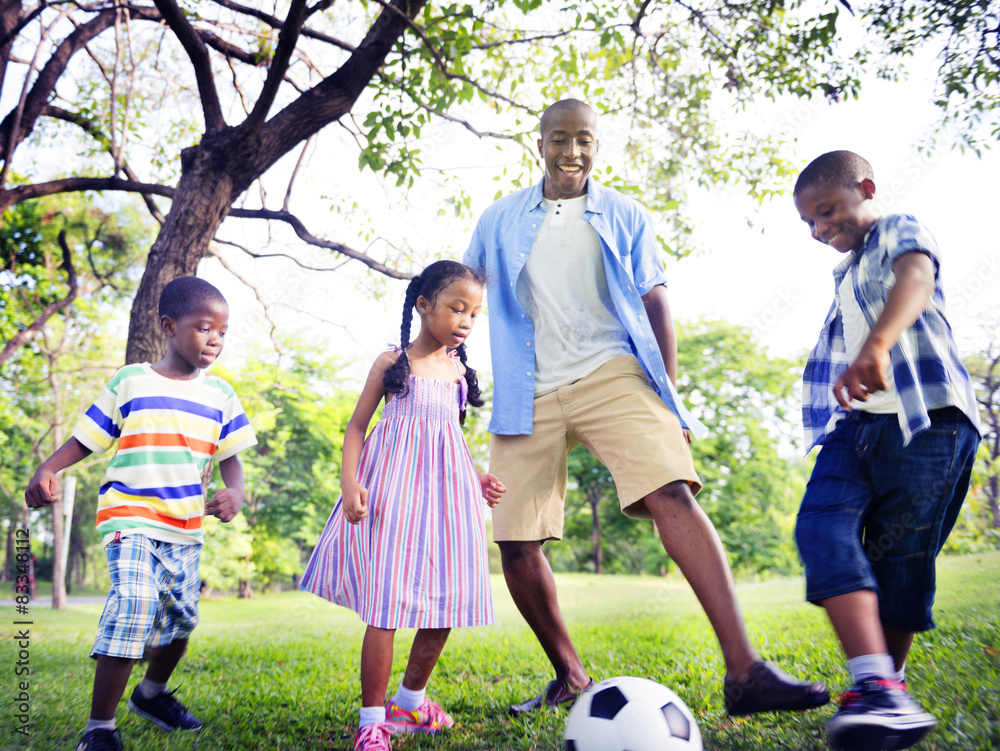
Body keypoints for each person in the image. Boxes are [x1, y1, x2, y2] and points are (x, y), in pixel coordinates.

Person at [463, 98, 829, 717]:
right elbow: (466, 298)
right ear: (540, 141)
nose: (571, 151)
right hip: (528, 387)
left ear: (597, 144)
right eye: (559, 139)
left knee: (672, 493)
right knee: (517, 542)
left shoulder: (625, 213)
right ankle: (570, 675)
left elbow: (656, 303)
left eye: (584, 139)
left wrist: (671, 403)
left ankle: (744, 672)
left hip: (613, 370)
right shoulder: (497, 220)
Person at [793, 150, 981, 751]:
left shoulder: (899, 227)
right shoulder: (844, 273)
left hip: (929, 419)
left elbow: (917, 279)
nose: (822, 230)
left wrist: (877, 345)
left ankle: (885, 691)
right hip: (857, 427)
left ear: (866, 189)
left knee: (899, 558)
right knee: (820, 527)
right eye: (811, 224)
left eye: (827, 211)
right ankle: (878, 686)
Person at [24, 276, 257, 751]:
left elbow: (233, 462)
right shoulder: (130, 380)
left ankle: (151, 694)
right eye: (204, 328)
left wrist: (234, 493)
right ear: (170, 327)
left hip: (185, 527)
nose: (215, 339)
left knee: (181, 621)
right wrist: (49, 467)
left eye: (223, 331)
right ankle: (100, 730)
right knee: (133, 604)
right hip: (129, 517)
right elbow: (87, 437)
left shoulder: (221, 395)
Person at [301, 260, 506, 751]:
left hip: (447, 500)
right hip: (393, 494)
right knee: (387, 604)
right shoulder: (391, 363)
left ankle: (410, 702)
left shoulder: (458, 370)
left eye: (475, 314)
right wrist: (350, 484)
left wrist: (476, 477)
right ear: (423, 305)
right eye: (457, 308)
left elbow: (447, 437)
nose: (465, 321)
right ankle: (372, 721)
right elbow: (355, 428)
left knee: (447, 600)